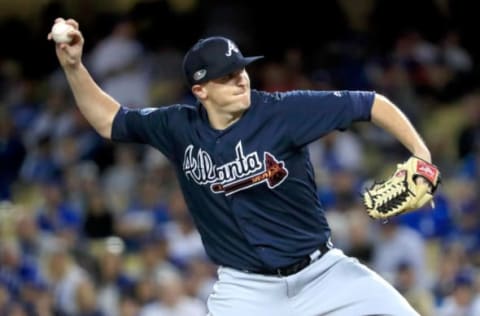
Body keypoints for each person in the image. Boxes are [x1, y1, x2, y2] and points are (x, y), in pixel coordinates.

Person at [48, 17, 434, 315]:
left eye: (242, 69)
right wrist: (73, 66)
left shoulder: (283, 112)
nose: (241, 79)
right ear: (201, 90)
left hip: (323, 273)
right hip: (246, 290)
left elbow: (371, 103)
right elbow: (108, 120)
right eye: (227, 76)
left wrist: (421, 155)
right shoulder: (178, 127)